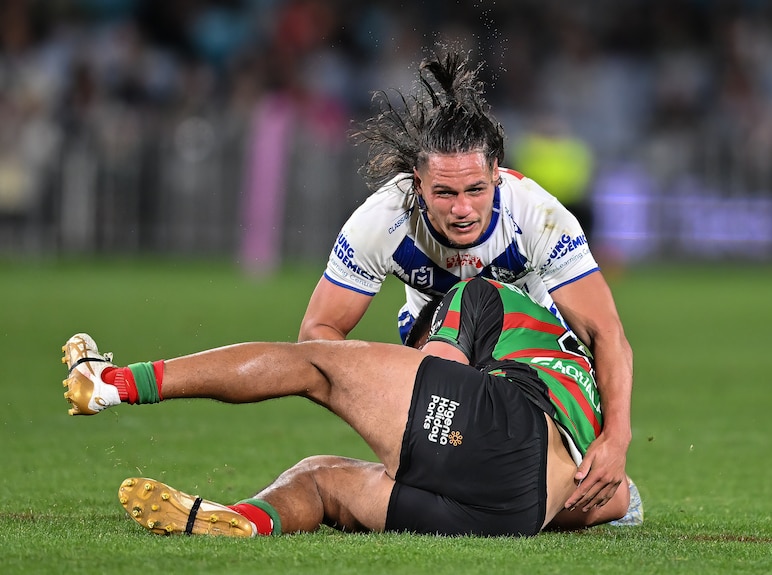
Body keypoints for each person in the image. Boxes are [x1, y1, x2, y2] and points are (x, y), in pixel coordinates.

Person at [298, 45, 634, 514]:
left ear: (497, 175)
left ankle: (600, 485)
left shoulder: (537, 215)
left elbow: (606, 333)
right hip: (434, 344)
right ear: (417, 184)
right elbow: (317, 335)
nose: (462, 209)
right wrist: (374, 394)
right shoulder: (383, 220)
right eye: (444, 192)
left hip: (535, 353)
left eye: (476, 190)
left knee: (592, 493)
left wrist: (616, 440)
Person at [61, 277, 640, 537]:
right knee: (321, 481)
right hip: (516, 515)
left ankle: (111, 382)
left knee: (314, 365)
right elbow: (614, 498)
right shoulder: (577, 382)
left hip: (498, 431)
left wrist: (361, 383)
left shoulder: (481, 293)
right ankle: (244, 519)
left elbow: (439, 369)